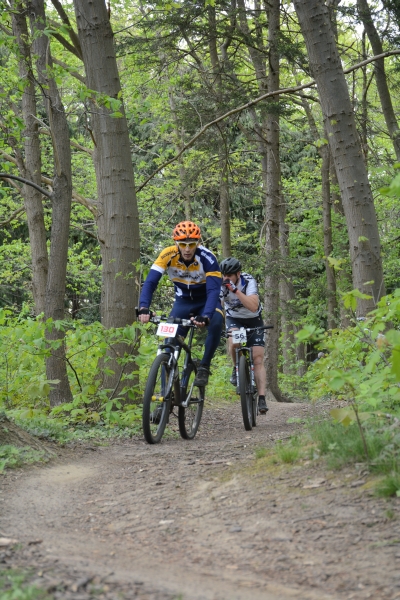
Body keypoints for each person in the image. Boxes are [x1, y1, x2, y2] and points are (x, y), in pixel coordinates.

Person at [137, 221, 223, 387]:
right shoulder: (167, 254)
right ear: (176, 242)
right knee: (168, 344)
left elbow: (213, 291)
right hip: (182, 303)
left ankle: (204, 366)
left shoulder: (207, 258)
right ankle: (165, 396)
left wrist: (206, 315)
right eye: (183, 244)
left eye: (191, 244)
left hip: (205, 301)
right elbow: (150, 283)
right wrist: (143, 308)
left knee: (216, 321)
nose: (187, 249)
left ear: (198, 242)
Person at [220, 257, 268, 414]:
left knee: (258, 358)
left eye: (230, 275)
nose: (226, 278)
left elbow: (253, 306)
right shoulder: (220, 284)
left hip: (254, 320)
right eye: (224, 275)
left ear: (238, 274)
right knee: (234, 340)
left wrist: (235, 290)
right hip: (235, 319)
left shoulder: (248, 281)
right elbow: (215, 303)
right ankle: (236, 368)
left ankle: (261, 398)